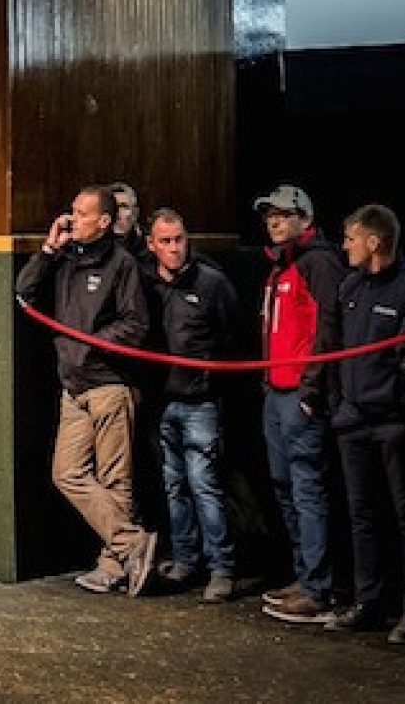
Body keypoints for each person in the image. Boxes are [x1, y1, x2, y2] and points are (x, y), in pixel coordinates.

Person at [15, 184, 158, 596]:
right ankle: (133, 544)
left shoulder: (123, 264)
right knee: (67, 474)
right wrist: (47, 249)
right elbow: (24, 292)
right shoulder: (63, 261)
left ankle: (114, 565)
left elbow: (136, 324)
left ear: (104, 222)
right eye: (72, 211)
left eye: (81, 213)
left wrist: (90, 342)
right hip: (72, 387)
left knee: (117, 481)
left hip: (109, 386)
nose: (72, 219)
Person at [323, 204, 405, 644]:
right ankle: (369, 600)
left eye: (351, 239)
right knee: (362, 516)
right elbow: (337, 349)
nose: (345, 247)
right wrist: (341, 404)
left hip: (394, 423)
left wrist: (396, 402)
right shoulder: (350, 287)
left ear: (374, 241)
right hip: (353, 422)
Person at [257, 183, 351, 626]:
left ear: (304, 219)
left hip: (300, 395)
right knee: (284, 484)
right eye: (269, 215)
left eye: (282, 214)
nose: (273, 221)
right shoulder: (280, 266)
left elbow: (328, 328)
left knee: (308, 486)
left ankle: (319, 586)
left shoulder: (319, 262)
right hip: (276, 392)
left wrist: (313, 390)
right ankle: (304, 575)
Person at [140, 208, 244, 603]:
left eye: (179, 239)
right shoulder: (144, 283)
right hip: (161, 401)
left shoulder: (212, 283)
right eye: (164, 241)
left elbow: (233, 337)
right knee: (174, 486)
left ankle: (222, 568)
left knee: (205, 485)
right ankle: (186, 560)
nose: (173, 248)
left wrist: (215, 385)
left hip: (201, 402)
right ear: (152, 245)